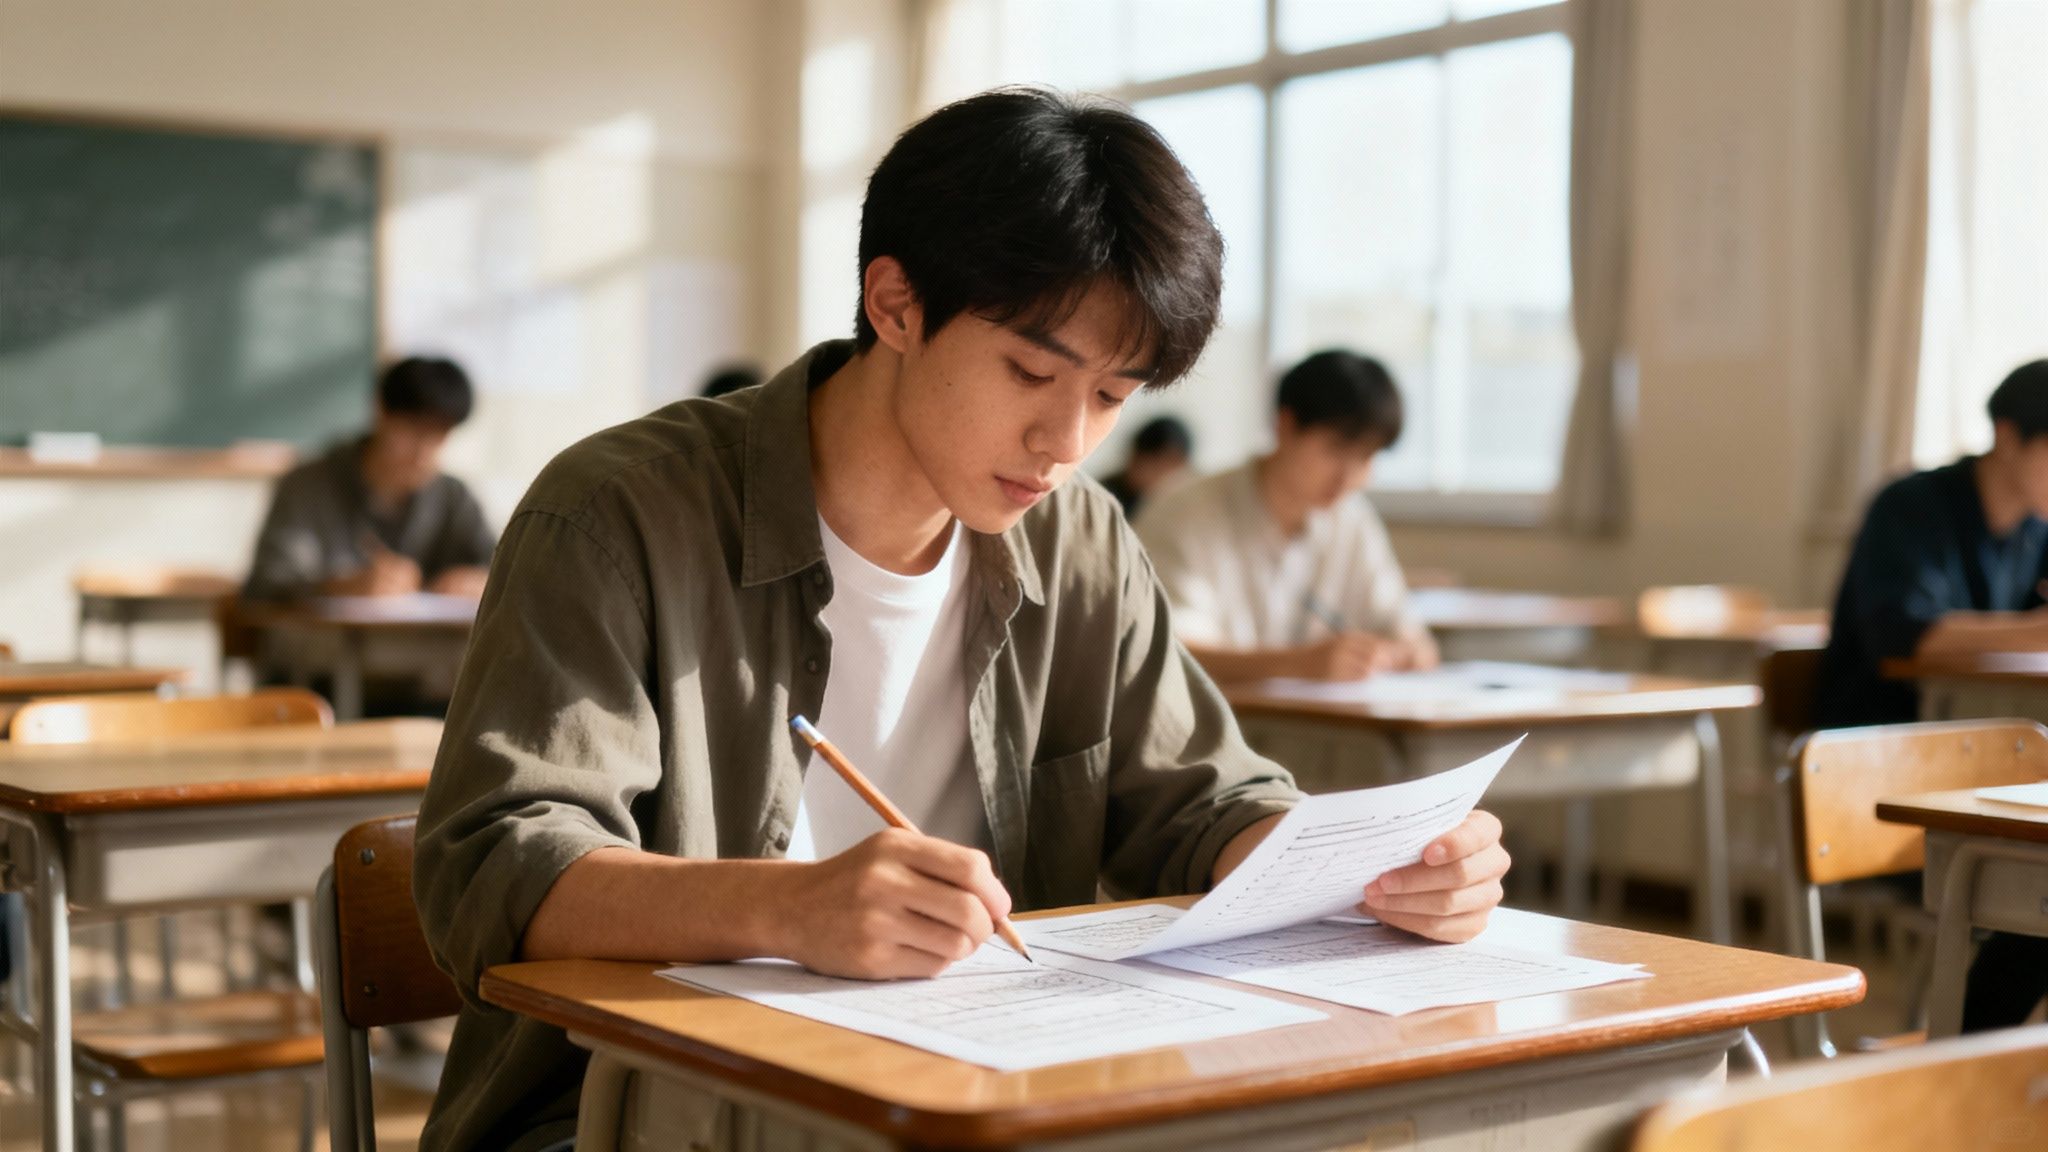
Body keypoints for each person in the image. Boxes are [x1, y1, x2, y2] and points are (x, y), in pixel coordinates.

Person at [410, 89, 1509, 1152]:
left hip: (972, 1093)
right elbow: (493, 866)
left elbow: (1198, 800)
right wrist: (789, 910)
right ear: (894, 305)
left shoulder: (1077, 539)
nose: (1068, 443)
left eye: (1114, 397)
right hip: (631, 1110)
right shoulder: (619, 514)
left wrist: (1364, 868)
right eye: (1032, 371)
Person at [1816, 357, 2048, 1033]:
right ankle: (1961, 1068)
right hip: (1879, 767)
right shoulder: (1910, 505)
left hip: (1981, 779)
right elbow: (1905, 635)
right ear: (2010, 436)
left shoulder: (2037, 530)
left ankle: (1974, 1067)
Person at [1135, 349, 1436, 684]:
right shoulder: (1185, 511)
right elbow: (1167, 652)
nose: (1348, 477)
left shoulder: (1351, 520)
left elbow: (1415, 644)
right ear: (1286, 426)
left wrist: (1387, 655)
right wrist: (1298, 665)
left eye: (1366, 457)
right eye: (1336, 449)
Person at [242, 356, 495, 602]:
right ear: (381, 412)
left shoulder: (453, 496)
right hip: (326, 643)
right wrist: (339, 588)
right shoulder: (306, 487)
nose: (423, 451)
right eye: (413, 429)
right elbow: (265, 584)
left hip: (428, 644)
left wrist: (479, 581)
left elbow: (502, 570)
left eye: (439, 435)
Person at [1100, 414, 1193, 517]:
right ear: (1137, 456)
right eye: (1157, 467)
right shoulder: (1102, 498)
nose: (1164, 478)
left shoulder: (1174, 509)